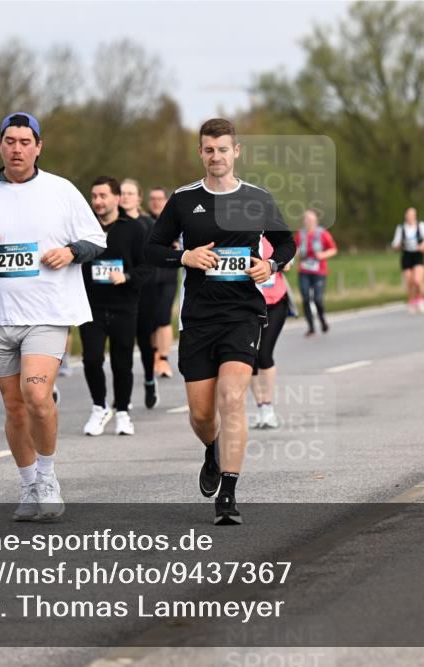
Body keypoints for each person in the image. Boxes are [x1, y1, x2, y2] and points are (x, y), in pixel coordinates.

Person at [0, 112, 106, 521]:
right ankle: (29, 483)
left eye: (25, 141)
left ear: (39, 146)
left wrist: (71, 252)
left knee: (37, 396)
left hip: (47, 313)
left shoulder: (61, 190)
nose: (17, 149)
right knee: (14, 407)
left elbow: (96, 240)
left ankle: (49, 477)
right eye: (10, 141)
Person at [145, 118, 296, 525]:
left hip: (243, 314)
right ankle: (212, 451)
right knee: (201, 415)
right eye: (209, 150)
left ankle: (227, 494)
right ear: (201, 152)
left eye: (223, 149)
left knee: (232, 398)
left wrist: (270, 265)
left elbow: (287, 242)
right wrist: (185, 257)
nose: (216, 156)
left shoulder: (257, 198)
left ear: (236, 152)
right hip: (197, 317)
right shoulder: (183, 200)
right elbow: (153, 248)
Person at [81, 177, 154, 436]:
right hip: (91, 307)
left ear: (116, 198)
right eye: (94, 196)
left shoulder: (133, 229)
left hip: (124, 305)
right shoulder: (83, 227)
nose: (98, 201)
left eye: (103, 196)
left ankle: (123, 412)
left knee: (122, 363)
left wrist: (127, 277)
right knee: (91, 359)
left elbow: (148, 267)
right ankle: (99, 407)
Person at [120, 178, 159, 408]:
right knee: (122, 342)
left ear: (138, 198)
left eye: (129, 193)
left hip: (145, 289)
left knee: (144, 340)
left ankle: (149, 379)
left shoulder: (147, 224)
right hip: (119, 289)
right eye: (122, 193)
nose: (125, 197)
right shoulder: (112, 224)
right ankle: (122, 392)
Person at [252, 236, 294, 429]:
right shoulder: (241, 236)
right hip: (249, 305)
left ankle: (268, 407)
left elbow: (288, 262)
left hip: (275, 303)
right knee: (249, 359)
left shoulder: (273, 236)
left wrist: (276, 263)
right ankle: (260, 406)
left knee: (264, 354)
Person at [147, 186, 177, 378]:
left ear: (166, 201)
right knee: (150, 321)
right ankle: (155, 357)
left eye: (160, 198)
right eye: (152, 199)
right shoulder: (143, 222)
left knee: (164, 318)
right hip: (148, 279)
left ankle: (164, 360)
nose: (156, 202)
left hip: (168, 277)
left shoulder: (175, 221)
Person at [294, 209, 337, 336]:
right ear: (303, 221)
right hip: (304, 270)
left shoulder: (323, 233)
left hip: (319, 271)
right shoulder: (300, 235)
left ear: (316, 221)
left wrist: (322, 255)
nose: (309, 222)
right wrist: (295, 254)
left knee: (318, 299)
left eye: (311, 220)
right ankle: (311, 327)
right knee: (306, 298)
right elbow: (293, 249)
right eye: (306, 219)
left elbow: (333, 249)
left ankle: (322, 320)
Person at [391, 207, 424, 314]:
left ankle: (420, 300)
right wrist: (397, 246)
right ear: (406, 216)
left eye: (412, 215)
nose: (409, 217)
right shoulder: (401, 228)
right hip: (406, 256)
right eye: (408, 215)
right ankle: (411, 301)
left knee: (417, 281)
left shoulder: (421, 226)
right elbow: (395, 243)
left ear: (415, 216)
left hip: (418, 255)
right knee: (410, 282)